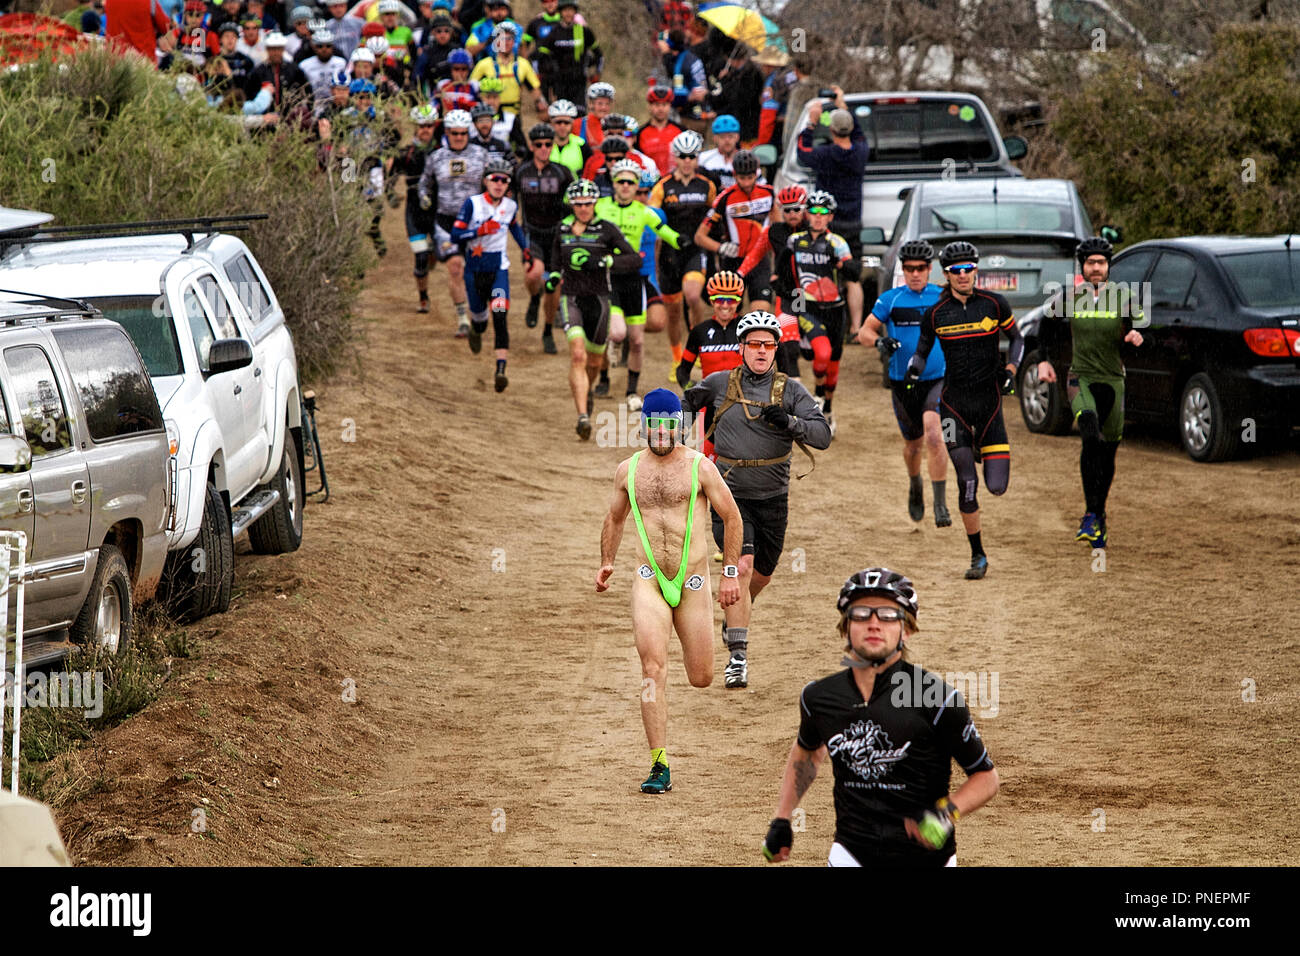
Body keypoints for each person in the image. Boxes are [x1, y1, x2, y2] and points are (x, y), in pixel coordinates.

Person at [761, 568, 999, 866]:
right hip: (850, 854)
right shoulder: (818, 698)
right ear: (846, 626)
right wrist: (782, 818)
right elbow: (807, 754)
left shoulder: (938, 699)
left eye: (888, 615)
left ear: (907, 629)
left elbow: (986, 777)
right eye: (861, 613)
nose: (874, 623)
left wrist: (947, 812)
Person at [598, 388, 742, 794]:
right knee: (652, 669)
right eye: (654, 425)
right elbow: (614, 517)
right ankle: (659, 763)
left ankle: (697, 656)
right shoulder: (628, 471)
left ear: (680, 426)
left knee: (701, 676)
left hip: (693, 580)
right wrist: (606, 561)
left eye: (668, 425)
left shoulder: (700, 468)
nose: (661, 433)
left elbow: (731, 517)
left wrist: (730, 572)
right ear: (643, 426)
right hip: (649, 580)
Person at [682, 311, 832, 688]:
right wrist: (677, 440)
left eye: (768, 345)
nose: (761, 351)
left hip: (774, 497)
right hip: (729, 495)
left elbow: (823, 435)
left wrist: (791, 423)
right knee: (742, 566)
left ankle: (736, 618)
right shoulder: (719, 383)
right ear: (742, 349)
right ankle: (738, 658)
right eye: (754, 344)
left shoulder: (791, 391)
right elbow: (685, 402)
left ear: (776, 349)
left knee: (760, 576)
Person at [905, 242, 1024, 580]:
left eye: (968, 269)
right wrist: (914, 368)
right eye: (955, 271)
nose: (962, 275)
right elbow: (923, 348)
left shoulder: (994, 303)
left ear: (976, 271)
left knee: (997, 486)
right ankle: (978, 555)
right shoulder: (935, 313)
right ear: (946, 274)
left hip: (990, 407)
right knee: (967, 482)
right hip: (953, 405)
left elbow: (1017, 339)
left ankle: (975, 446)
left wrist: (1012, 371)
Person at [1036, 236, 1145, 549]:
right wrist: (1043, 361)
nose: (1096, 268)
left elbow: (1144, 328)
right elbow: (1045, 328)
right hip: (1079, 378)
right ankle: (1089, 515)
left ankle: (1098, 514)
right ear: (1081, 265)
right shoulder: (1069, 296)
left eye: (1101, 262)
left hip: (1113, 380)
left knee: (1108, 451)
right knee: (1089, 432)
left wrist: (1138, 335)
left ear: (1108, 265)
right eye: (1090, 263)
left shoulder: (1124, 297)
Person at [859, 240, 950, 526]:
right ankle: (915, 484)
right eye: (909, 269)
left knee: (935, 435)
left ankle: (941, 503)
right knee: (913, 445)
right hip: (903, 383)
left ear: (930, 269)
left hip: (937, 378)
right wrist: (880, 341)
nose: (915, 274)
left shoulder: (942, 297)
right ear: (903, 269)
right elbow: (864, 332)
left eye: (921, 269)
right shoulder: (891, 299)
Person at [545, 179, 642, 439]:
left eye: (588, 203)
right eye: (579, 204)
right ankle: (582, 416)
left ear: (595, 203)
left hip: (600, 301)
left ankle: (587, 392)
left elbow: (633, 259)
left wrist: (607, 260)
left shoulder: (606, 229)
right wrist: (553, 276)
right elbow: (555, 261)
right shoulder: (562, 229)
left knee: (595, 361)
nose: (584, 208)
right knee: (577, 355)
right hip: (572, 299)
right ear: (572, 205)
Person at [595, 159, 681, 410]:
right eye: (620, 181)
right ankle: (603, 376)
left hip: (634, 280)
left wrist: (682, 242)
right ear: (613, 184)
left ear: (636, 186)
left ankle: (631, 391)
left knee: (637, 340)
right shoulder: (600, 207)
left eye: (630, 182)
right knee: (616, 332)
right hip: (607, 278)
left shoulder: (645, 212)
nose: (625, 186)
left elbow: (664, 231)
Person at [782, 190, 861, 437]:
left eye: (823, 212)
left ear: (830, 216)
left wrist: (838, 262)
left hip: (836, 310)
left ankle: (828, 408)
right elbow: (783, 271)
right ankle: (816, 395)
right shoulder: (794, 241)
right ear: (807, 214)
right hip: (809, 307)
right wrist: (789, 301)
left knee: (833, 366)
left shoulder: (837, 242)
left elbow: (854, 272)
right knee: (822, 353)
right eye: (813, 212)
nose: (817, 217)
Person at [449, 156, 532, 392]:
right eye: (495, 179)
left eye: (504, 180)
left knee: (500, 313)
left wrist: (527, 251)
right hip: (474, 273)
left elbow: (515, 228)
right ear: (486, 181)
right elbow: (455, 236)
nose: (499, 184)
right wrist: (479, 230)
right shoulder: (472, 204)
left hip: (498, 271)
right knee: (481, 320)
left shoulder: (510, 206)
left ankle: (501, 369)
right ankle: (476, 329)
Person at [797, 91, 869, 338]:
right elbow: (858, 135)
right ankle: (856, 328)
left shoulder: (825, 155)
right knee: (853, 275)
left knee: (822, 273)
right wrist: (844, 108)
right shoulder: (860, 153)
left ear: (831, 131)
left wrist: (811, 121)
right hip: (853, 222)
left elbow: (802, 151)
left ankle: (821, 325)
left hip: (826, 223)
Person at [648, 129, 716, 376]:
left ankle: (697, 350)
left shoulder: (707, 186)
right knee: (674, 313)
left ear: (697, 158)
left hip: (695, 252)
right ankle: (677, 358)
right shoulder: (663, 186)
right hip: (669, 255)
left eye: (692, 156)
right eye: (683, 156)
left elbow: (714, 216)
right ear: (675, 157)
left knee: (694, 296)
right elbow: (651, 217)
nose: (687, 161)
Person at [418, 109, 488, 338]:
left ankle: (480, 312)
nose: (459, 137)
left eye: (463, 133)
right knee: (455, 268)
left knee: (478, 273)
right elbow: (424, 183)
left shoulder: (481, 155)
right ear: (446, 132)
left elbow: (495, 183)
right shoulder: (436, 157)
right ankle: (462, 319)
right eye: (454, 133)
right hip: (446, 223)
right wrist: (424, 197)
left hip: (475, 224)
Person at [513, 122, 573, 353]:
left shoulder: (562, 172)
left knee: (553, 284)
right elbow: (509, 200)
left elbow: (576, 203)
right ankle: (534, 298)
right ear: (531, 145)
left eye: (548, 144)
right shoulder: (521, 171)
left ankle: (548, 330)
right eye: (539, 145)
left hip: (557, 236)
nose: (544, 148)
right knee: (534, 274)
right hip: (532, 232)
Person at [740, 184, 808, 378]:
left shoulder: (815, 230)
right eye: (787, 210)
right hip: (787, 295)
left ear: (805, 209)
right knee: (789, 347)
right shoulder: (773, 231)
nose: (792, 214)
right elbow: (754, 255)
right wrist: (739, 273)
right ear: (780, 210)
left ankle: (822, 396)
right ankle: (792, 392)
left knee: (812, 351)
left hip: (811, 297)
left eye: (797, 209)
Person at [694, 149, 774, 312]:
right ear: (734, 175)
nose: (746, 183)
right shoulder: (725, 198)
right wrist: (720, 248)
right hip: (732, 261)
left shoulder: (768, 193)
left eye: (750, 178)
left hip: (760, 262)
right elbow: (699, 236)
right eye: (742, 178)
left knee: (760, 314)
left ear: (756, 174)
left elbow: (779, 229)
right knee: (730, 316)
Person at [676, 271, 744, 460]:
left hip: (742, 401)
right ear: (712, 300)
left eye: (730, 300)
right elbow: (682, 370)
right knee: (708, 462)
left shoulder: (747, 329)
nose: (724, 305)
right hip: (710, 404)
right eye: (719, 299)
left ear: (738, 300)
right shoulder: (700, 331)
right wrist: (691, 389)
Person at [392, 104, 442, 313]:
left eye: (429, 126)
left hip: (438, 211)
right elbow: (391, 176)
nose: (425, 130)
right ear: (415, 126)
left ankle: (433, 253)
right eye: (421, 125)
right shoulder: (405, 153)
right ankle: (423, 297)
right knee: (420, 258)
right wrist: (390, 195)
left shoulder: (442, 152)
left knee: (440, 252)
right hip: (414, 211)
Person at [470, 21, 546, 115]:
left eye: (509, 39)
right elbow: (471, 88)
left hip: (514, 114)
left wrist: (540, 103)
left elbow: (534, 89)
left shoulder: (523, 64)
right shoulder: (484, 64)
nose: (505, 43)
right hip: (490, 114)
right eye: (501, 39)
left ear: (514, 42)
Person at [534, 0, 601, 106]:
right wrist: (548, 72)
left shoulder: (584, 31)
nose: (568, 13)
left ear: (575, 12)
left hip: (579, 82)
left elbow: (599, 54)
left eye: (571, 10)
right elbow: (541, 55)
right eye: (565, 10)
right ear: (560, 12)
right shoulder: (554, 32)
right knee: (563, 116)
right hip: (560, 82)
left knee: (579, 114)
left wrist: (596, 72)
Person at [706, 44, 764, 146]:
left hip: (747, 122)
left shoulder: (750, 74)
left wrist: (726, 81)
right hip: (741, 120)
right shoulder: (737, 73)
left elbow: (737, 99)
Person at [105, 0, 176, 63]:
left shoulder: (109, 1)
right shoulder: (150, 2)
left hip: (113, 60)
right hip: (142, 64)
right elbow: (166, 28)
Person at [636, 84, 682, 178]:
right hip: (649, 183)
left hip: (674, 182)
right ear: (649, 106)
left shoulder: (680, 131)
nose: (661, 109)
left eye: (664, 104)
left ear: (670, 106)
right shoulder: (640, 133)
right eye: (657, 104)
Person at [300, 28, 346, 116]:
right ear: (314, 47)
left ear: (332, 46)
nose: (324, 49)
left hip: (336, 108)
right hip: (314, 108)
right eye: (320, 46)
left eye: (328, 46)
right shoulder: (305, 65)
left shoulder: (341, 63)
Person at [545, 99, 590, 177]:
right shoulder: (542, 145)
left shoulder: (582, 145)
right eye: (558, 122)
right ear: (551, 123)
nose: (562, 126)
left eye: (566, 122)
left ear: (572, 123)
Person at [698, 114, 741, 189]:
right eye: (722, 136)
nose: (727, 140)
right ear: (714, 138)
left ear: (737, 137)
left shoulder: (748, 160)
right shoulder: (703, 158)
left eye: (730, 136)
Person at [578, 81, 615, 148]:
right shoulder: (578, 124)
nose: (604, 107)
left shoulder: (615, 125)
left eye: (607, 104)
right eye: (600, 103)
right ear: (591, 104)